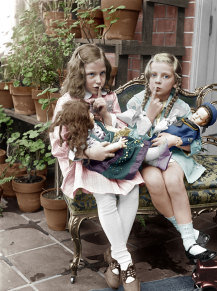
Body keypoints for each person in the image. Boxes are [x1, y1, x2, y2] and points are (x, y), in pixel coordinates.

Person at [49, 43, 140, 291]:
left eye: (102, 74)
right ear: (79, 74)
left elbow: (123, 130)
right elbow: (58, 143)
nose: (98, 80)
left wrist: (107, 115)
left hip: (111, 157)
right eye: (91, 74)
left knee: (133, 188)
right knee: (106, 195)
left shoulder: (108, 96)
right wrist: (89, 152)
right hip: (84, 162)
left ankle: (115, 262)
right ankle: (126, 262)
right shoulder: (67, 101)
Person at [126, 52, 217, 263]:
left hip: (175, 155)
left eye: (165, 76)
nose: (158, 80)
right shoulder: (136, 102)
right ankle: (190, 234)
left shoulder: (182, 108)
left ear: (175, 81)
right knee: (154, 180)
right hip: (146, 156)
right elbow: (129, 139)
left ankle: (189, 245)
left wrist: (176, 141)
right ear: (148, 77)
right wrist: (148, 116)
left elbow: (195, 143)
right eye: (154, 75)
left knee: (173, 179)